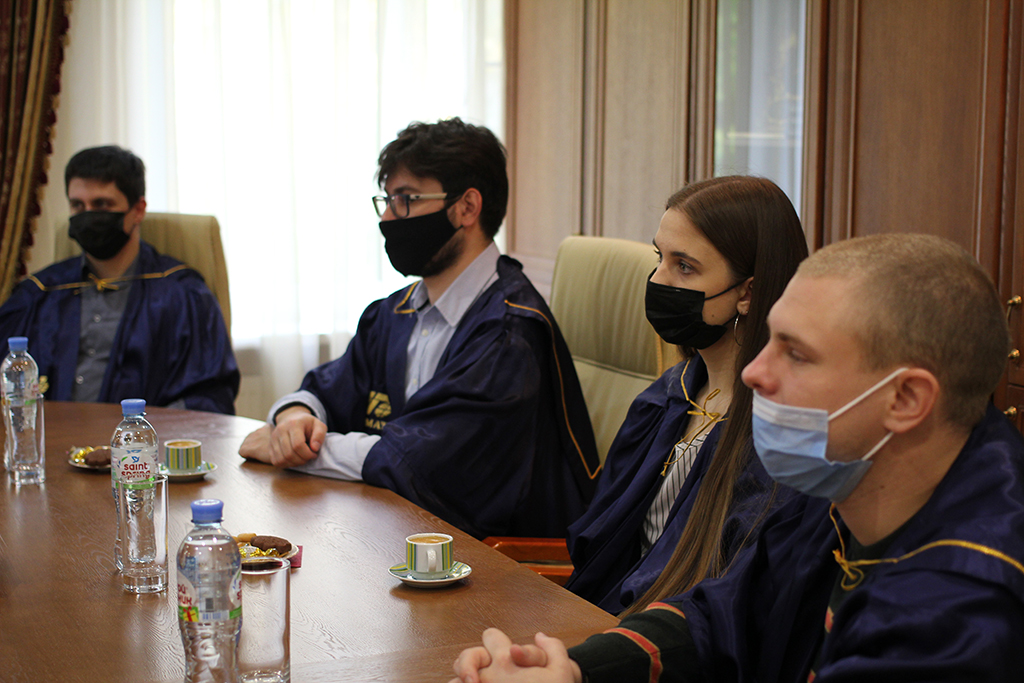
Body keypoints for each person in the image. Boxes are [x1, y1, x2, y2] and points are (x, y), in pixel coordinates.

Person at [451, 233, 1024, 683]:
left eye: (797, 354)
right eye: (769, 339)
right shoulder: (848, 480)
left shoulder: (961, 609)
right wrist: (575, 670)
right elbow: (724, 615)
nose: (754, 372)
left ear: (906, 400)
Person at [239, 118, 600, 540]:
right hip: (402, 535)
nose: (388, 217)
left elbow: (423, 462)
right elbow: (330, 389)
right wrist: (294, 417)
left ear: (467, 207)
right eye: (387, 199)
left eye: (406, 199)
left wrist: (294, 452)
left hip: (500, 561)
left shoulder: (509, 334)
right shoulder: (394, 313)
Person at [565, 176, 806, 614]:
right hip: (600, 619)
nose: (658, 280)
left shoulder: (781, 436)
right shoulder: (666, 395)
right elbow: (601, 543)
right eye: (660, 258)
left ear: (748, 292)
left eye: (685, 267)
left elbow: (734, 597)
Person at [0, 145, 239, 414]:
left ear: (138, 210)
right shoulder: (39, 293)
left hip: (143, 439)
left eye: (101, 204)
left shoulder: (183, 295)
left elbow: (208, 398)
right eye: (78, 205)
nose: (88, 215)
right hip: (50, 437)